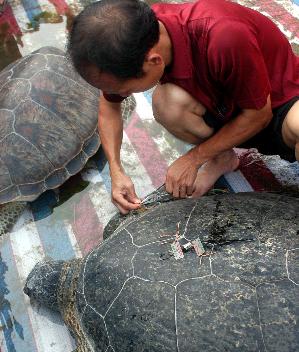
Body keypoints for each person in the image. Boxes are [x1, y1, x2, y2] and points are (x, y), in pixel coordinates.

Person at [68, 0, 299, 214]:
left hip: (278, 105)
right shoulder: (136, 39)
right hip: (225, 107)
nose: (121, 95)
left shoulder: (224, 35)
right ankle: (221, 157)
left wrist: (193, 158)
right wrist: (116, 171)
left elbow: (260, 115)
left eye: (125, 89)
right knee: (167, 103)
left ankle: (213, 153)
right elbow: (108, 107)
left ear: (154, 61)